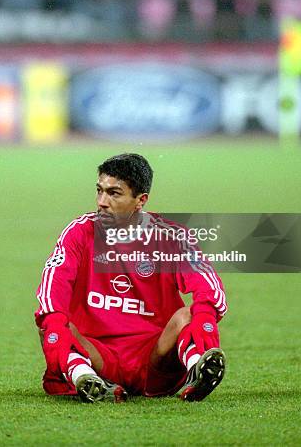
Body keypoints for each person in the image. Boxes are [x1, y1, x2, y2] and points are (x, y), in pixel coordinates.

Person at [35, 153, 227, 402]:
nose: (102, 201)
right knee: (53, 322)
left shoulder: (171, 237)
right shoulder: (80, 232)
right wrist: (54, 321)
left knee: (188, 316)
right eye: (99, 190)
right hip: (99, 356)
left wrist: (204, 319)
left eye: (114, 193)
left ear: (140, 200)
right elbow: (55, 283)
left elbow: (206, 284)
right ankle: (86, 377)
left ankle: (197, 368)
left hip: (155, 359)